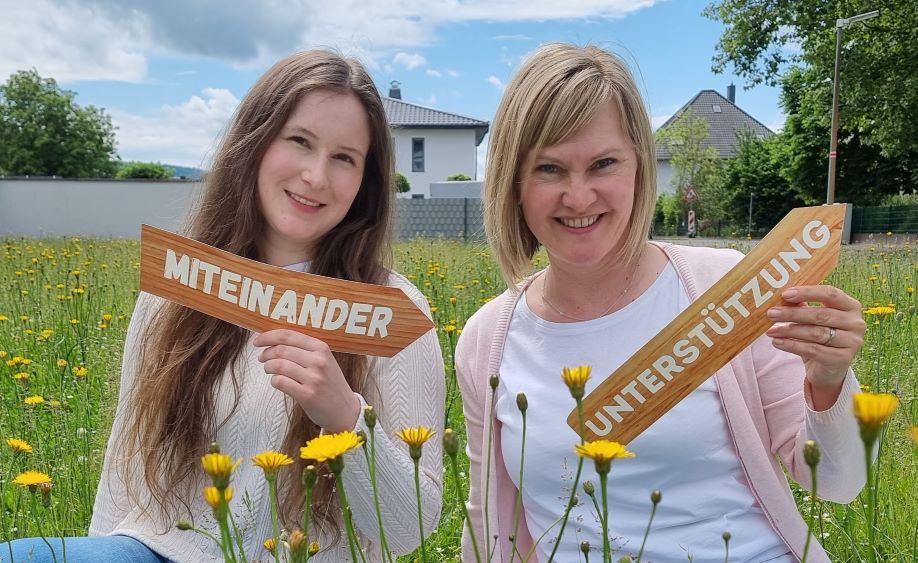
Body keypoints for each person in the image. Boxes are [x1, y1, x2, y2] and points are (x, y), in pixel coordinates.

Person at [4, 50, 444, 562]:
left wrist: (345, 417)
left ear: (365, 182)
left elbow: (411, 527)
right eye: (300, 141)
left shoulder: (391, 311)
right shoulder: (178, 284)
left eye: (345, 157)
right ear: (255, 144)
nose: (315, 176)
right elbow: (125, 469)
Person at [456, 43, 867, 563]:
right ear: (513, 183)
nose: (578, 197)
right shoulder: (487, 338)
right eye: (549, 169)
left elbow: (838, 482)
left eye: (603, 163)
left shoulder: (730, 289)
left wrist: (829, 381)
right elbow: (489, 519)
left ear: (638, 169)